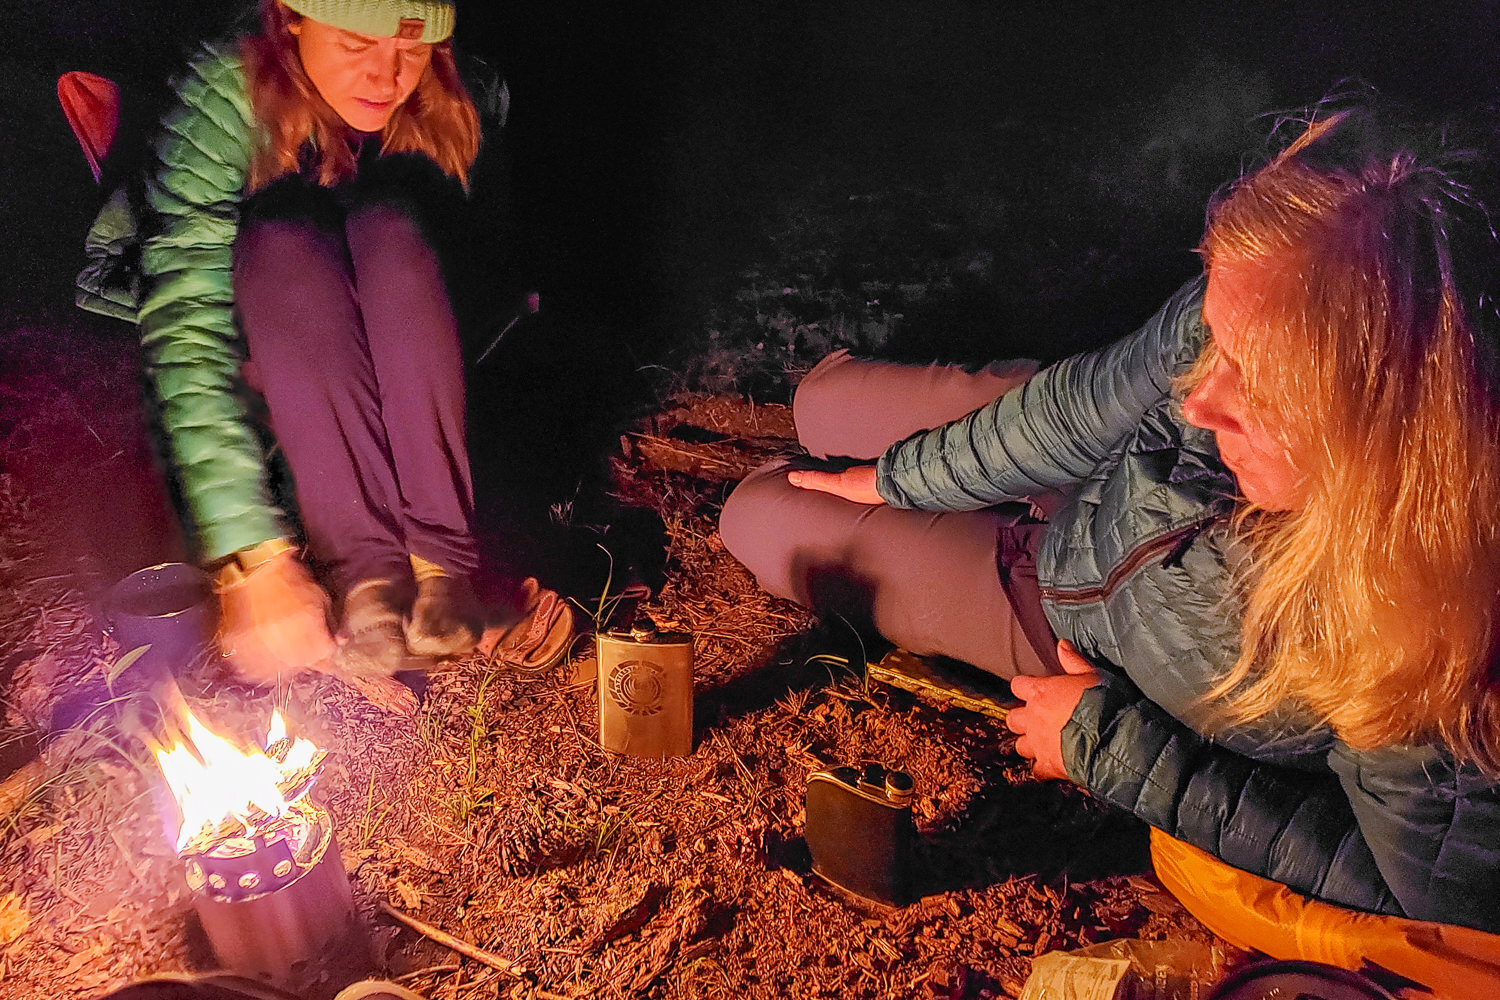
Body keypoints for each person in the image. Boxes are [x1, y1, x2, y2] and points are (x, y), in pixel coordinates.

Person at [720, 105, 1500, 931]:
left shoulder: (1432, 647)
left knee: (757, 515)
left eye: (1257, 383)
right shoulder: (1281, 279)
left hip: (1061, 622)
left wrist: (1113, 747)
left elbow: (1411, 891)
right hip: (1107, 467)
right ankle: (846, 440)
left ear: (1395, 438)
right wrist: (892, 481)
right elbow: (1092, 404)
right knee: (819, 403)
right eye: (1215, 343)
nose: (1198, 401)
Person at [83, 0, 569, 694]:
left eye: (410, 47)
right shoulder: (228, 95)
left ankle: (441, 571)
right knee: (283, 230)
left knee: (389, 224)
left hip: (407, 293)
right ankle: (371, 579)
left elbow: (480, 253)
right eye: (354, 43)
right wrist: (257, 556)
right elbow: (189, 318)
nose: (384, 74)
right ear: (294, 18)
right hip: (268, 295)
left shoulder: (459, 86)